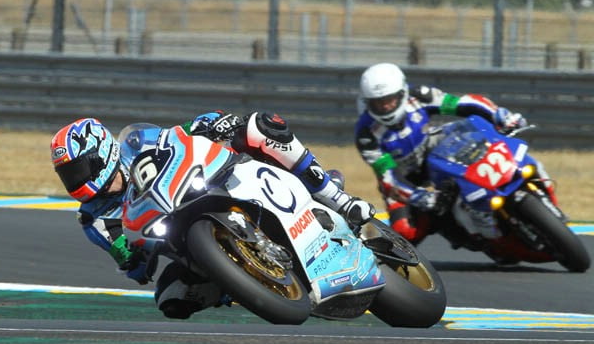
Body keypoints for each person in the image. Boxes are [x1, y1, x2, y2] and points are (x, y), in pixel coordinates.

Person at [51, 112, 376, 320]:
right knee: (171, 300)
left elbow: (180, 134)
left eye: (78, 169)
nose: (75, 181)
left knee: (259, 126)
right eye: (68, 175)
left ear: (100, 153)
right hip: (179, 236)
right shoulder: (93, 219)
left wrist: (211, 123)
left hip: (207, 185)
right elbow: (131, 263)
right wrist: (133, 256)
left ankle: (335, 197)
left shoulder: (137, 143)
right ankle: (245, 282)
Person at [354, 62, 552, 245]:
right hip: (404, 176)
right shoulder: (366, 135)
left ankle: (536, 196)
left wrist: (498, 114)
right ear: (367, 103)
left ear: (402, 93)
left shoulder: (420, 97)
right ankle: (453, 229)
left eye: (389, 100)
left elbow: (465, 103)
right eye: (378, 102)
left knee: (478, 140)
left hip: (433, 150)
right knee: (405, 232)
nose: (385, 106)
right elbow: (388, 176)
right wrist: (419, 197)